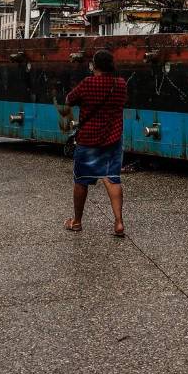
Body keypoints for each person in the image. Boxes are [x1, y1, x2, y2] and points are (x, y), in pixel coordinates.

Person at [64, 49, 128, 237]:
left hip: (88, 140)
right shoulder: (121, 84)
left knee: (81, 181)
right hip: (113, 139)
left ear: (94, 66)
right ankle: (118, 223)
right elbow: (124, 102)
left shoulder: (88, 83)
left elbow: (69, 100)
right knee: (112, 179)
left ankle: (76, 221)